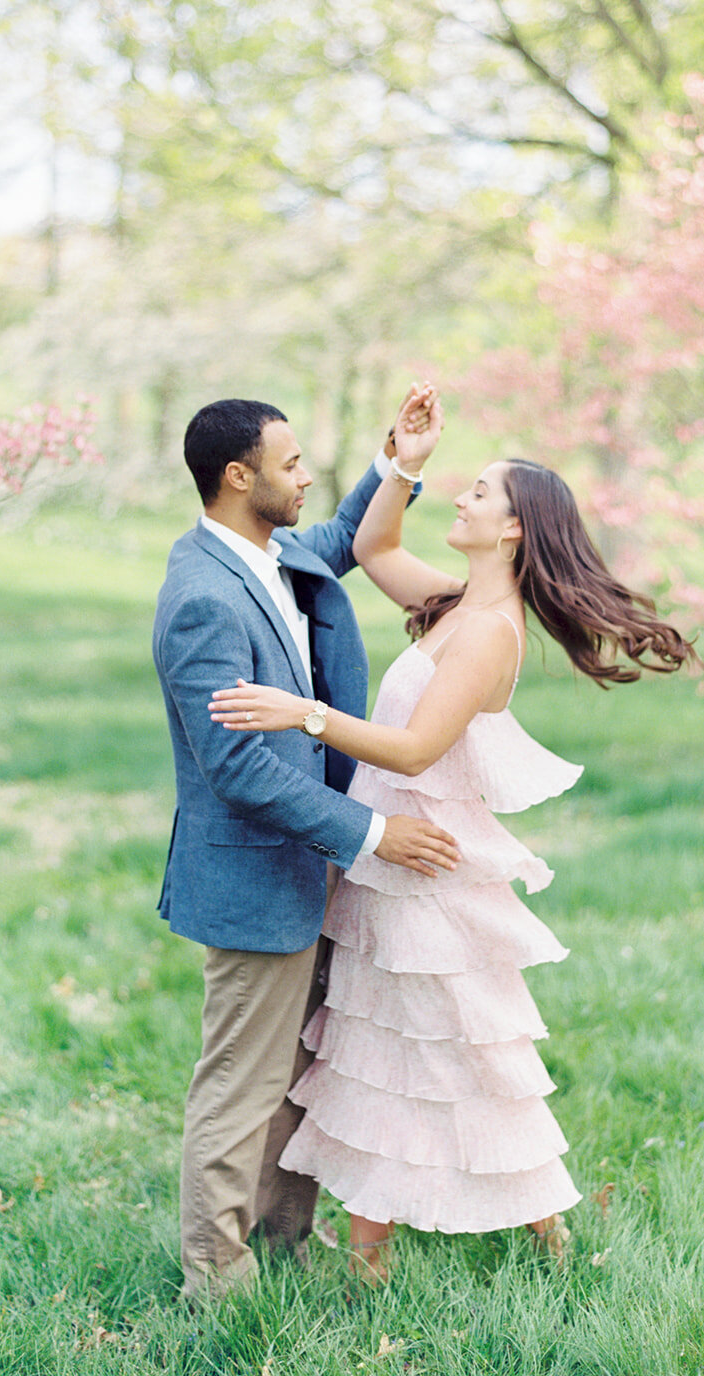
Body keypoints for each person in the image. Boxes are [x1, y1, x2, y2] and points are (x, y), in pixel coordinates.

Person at [209, 453, 699, 1277]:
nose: (463, 498)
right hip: (387, 867)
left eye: (479, 491)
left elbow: (414, 750)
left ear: (512, 527)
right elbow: (373, 545)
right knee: (379, 1059)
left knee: (457, 1060)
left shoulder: (485, 634)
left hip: (426, 873)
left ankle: (549, 1235)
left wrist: (307, 716)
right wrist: (403, 460)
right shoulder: (452, 603)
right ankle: (377, 1264)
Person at [153, 389, 462, 1300]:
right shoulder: (201, 598)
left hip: (309, 867)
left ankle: (283, 1245)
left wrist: (399, 464)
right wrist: (373, 834)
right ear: (237, 477)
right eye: (290, 465)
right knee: (241, 1086)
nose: (307, 476)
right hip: (254, 879)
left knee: (298, 1078)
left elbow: (336, 542)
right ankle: (216, 1278)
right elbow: (239, 771)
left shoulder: (270, 549)